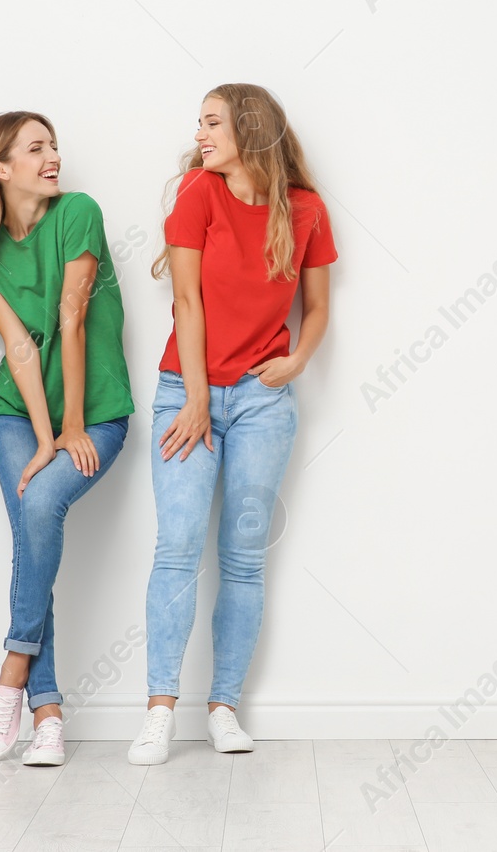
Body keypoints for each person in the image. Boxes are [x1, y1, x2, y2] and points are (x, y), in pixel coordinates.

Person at [129, 83, 337, 765]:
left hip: (261, 401)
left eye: (212, 121)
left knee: (245, 557)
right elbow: (185, 299)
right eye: (200, 121)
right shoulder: (198, 191)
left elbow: (316, 305)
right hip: (184, 391)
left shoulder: (305, 210)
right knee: (178, 546)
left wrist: (297, 361)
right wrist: (195, 397)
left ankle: (223, 706)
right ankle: (160, 709)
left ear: (250, 128)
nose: (200, 132)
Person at [0, 111, 133, 766]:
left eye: (53, 144)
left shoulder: (79, 211)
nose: (52, 156)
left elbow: (72, 316)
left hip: (97, 413)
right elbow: (16, 348)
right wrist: (41, 435)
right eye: (36, 148)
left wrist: (70, 429)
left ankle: (13, 671)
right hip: (12, 412)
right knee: (36, 528)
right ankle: (49, 715)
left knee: (37, 517)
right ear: (0, 168)